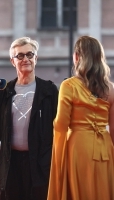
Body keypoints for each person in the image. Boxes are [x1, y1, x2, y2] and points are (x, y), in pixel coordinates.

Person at [0, 37, 58, 200]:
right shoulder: (3, 92)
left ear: (36, 58)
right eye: (20, 56)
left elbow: (59, 128)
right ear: (13, 61)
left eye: (30, 54)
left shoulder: (49, 90)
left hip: (40, 164)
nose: (25, 59)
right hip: (10, 164)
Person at [47, 35, 114, 200]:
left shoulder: (68, 85)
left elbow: (61, 124)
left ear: (76, 57)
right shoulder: (111, 89)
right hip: (105, 150)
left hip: (79, 147)